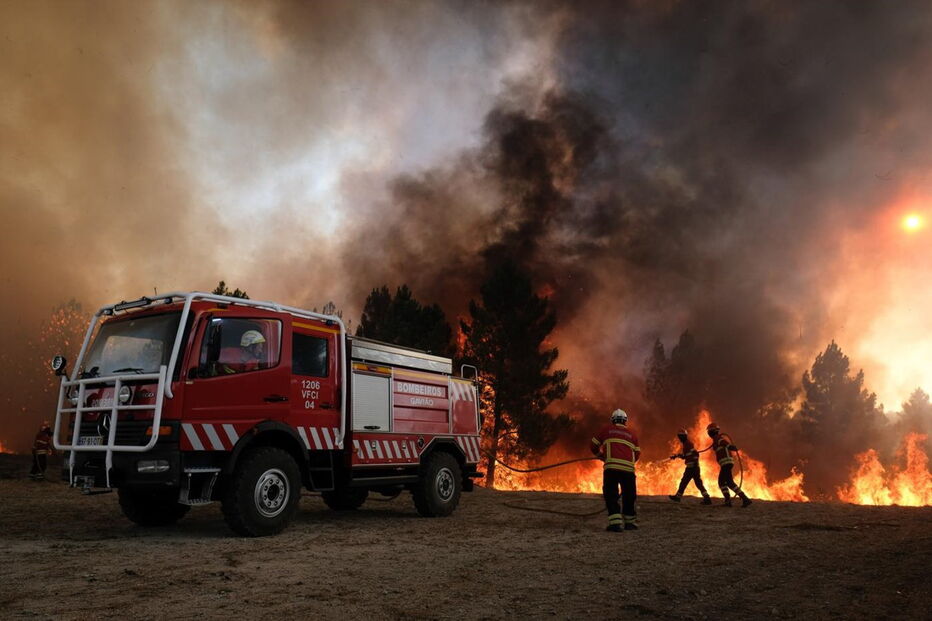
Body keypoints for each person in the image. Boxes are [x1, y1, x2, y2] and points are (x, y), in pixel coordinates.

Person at [591, 408, 641, 532]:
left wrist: (600, 455)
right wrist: (628, 462)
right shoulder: (632, 435)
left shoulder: (606, 430)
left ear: (613, 420)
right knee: (629, 495)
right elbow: (637, 454)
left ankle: (615, 524)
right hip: (628, 470)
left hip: (612, 468)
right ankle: (630, 523)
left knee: (611, 494)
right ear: (625, 421)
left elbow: (593, 445)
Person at [707, 422, 752, 507]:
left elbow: (724, 443)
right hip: (726, 464)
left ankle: (744, 499)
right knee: (725, 482)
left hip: (726, 463)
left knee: (726, 482)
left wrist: (730, 447)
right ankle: (732, 501)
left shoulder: (718, 438)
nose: (708, 433)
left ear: (712, 432)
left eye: (709, 431)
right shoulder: (716, 440)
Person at [668, 428, 712, 504]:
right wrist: (677, 456)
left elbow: (695, 455)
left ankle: (678, 497)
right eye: (679, 436)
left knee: (684, 482)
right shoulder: (686, 444)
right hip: (693, 467)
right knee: (698, 483)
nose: (680, 438)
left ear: (684, 436)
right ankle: (707, 498)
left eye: (681, 436)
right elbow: (687, 455)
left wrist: (693, 463)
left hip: (692, 467)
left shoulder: (688, 444)